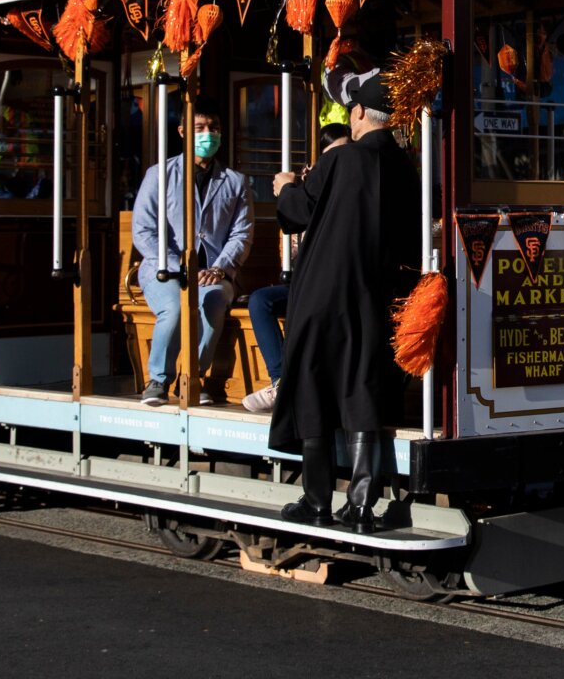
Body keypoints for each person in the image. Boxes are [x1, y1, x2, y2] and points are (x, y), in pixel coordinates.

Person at [268, 72, 420, 533]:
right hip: (379, 294)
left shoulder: (342, 159)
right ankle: (359, 505)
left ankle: (316, 500)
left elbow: (297, 213)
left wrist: (285, 187)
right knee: (362, 388)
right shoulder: (406, 167)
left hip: (323, 292)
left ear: (358, 114)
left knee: (312, 385)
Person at [132, 105, 253, 407]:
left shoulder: (235, 181)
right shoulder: (160, 174)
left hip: (213, 272)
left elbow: (241, 233)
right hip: (164, 269)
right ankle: (158, 380)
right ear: (183, 132)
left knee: (213, 302)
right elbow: (144, 230)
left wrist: (220, 268)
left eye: (213, 127)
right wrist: (178, 266)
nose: (207, 134)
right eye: (199, 128)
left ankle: (193, 378)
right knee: (174, 308)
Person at [241, 123, 351, 414]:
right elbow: (289, 250)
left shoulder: (349, 190)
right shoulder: (308, 192)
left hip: (334, 285)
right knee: (260, 300)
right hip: (305, 282)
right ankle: (281, 381)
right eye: (329, 157)